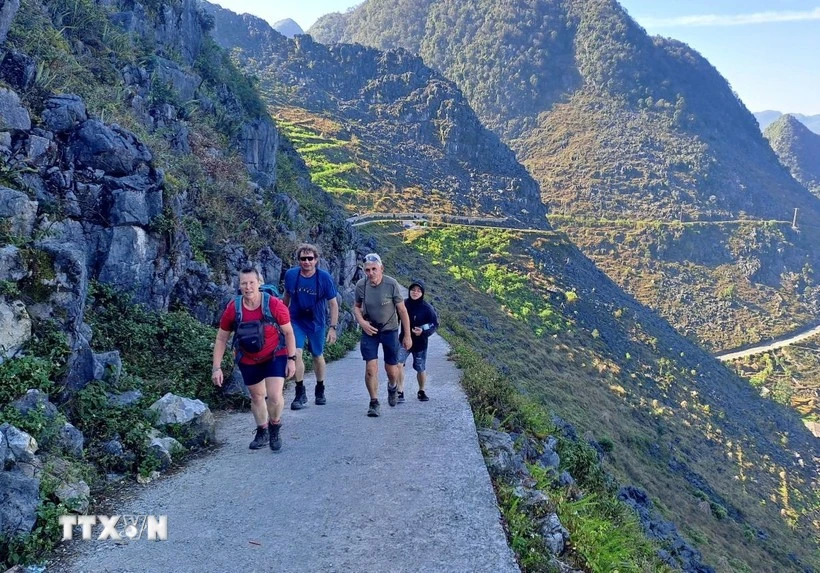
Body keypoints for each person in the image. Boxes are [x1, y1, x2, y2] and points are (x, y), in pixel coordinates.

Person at [211, 267, 297, 452]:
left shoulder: (274, 304)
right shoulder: (234, 308)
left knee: (274, 396)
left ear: (259, 283)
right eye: (244, 283)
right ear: (239, 285)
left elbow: (288, 332)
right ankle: (262, 430)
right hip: (248, 358)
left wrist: (291, 359)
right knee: (257, 396)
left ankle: (275, 426)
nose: (248, 287)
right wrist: (216, 367)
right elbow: (221, 338)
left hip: (275, 354)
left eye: (251, 282)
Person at [353, 253, 412, 417]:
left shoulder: (391, 284)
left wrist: (407, 335)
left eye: (374, 269)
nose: (371, 273)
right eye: (367, 270)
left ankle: (392, 387)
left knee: (391, 370)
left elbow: (402, 310)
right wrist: (362, 322)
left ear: (381, 268)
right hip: (369, 329)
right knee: (371, 369)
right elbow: (357, 307)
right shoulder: (360, 285)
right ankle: (374, 402)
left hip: (389, 330)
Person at [282, 243, 340, 409]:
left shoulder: (324, 278)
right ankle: (300, 392)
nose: (306, 262)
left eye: (310, 258)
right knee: (296, 354)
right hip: (296, 320)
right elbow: (286, 296)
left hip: (316, 321)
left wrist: (333, 327)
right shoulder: (291, 275)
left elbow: (333, 304)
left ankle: (320, 388)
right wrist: (282, 319)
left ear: (316, 260)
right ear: (299, 260)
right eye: (303, 259)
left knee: (317, 355)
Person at [396, 279, 438, 402]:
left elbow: (434, 324)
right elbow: (395, 320)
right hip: (403, 341)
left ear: (422, 293)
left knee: (420, 368)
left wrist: (423, 332)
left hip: (420, 343)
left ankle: (421, 390)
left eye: (418, 291)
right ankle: (400, 391)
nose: (415, 292)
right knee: (398, 364)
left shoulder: (427, 308)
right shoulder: (403, 304)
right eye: (413, 290)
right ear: (409, 291)